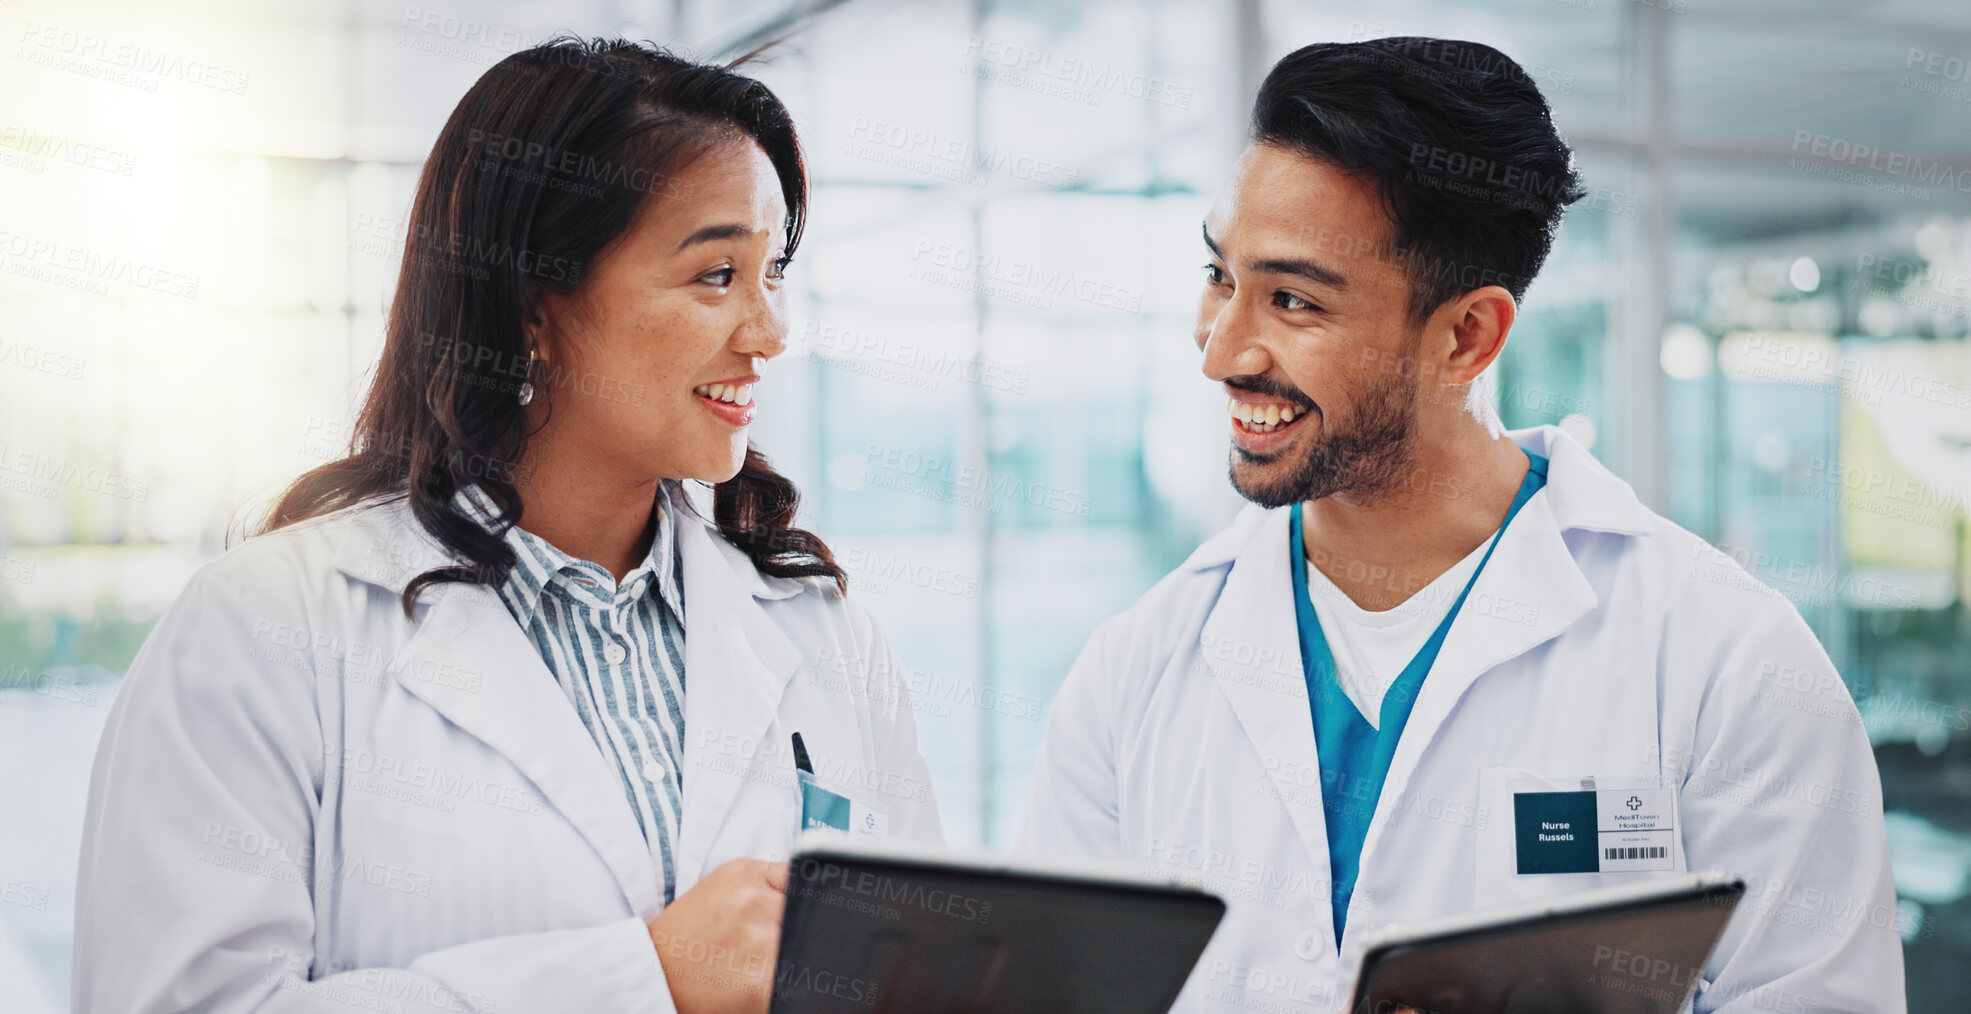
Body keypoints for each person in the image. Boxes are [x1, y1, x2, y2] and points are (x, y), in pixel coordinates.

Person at [1021, 37, 1902, 1013]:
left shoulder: (1728, 663)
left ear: (1466, 336)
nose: (1221, 348)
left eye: (1293, 300)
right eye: (1219, 276)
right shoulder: (1135, 670)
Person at [73, 38, 940, 1014]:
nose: (771, 329)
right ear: (536, 301)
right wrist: (641, 980)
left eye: (773, 270)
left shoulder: (820, 630)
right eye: (715, 276)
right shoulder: (267, 629)